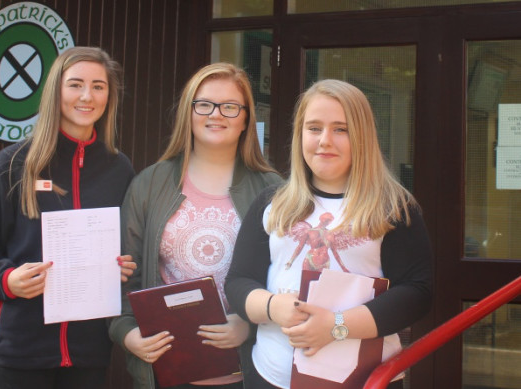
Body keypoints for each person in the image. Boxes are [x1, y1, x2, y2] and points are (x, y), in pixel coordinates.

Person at [225, 79, 433, 389]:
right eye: (314, 128)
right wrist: (272, 307)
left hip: (363, 379)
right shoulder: (272, 203)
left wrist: (336, 327)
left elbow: (417, 294)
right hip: (271, 377)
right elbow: (239, 281)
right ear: (300, 135)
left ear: (361, 136)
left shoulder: (393, 206)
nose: (325, 140)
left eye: (341, 129)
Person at [0, 46, 136, 389]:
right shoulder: (14, 164)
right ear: (56, 91)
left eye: (98, 86)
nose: (87, 96)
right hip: (22, 351)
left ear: (109, 96)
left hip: (89, 353)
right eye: (75, 84)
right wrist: (7, 279)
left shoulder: (119, 168)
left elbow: (126, 247)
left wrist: (124, 265)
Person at [109, 62, 283, 389]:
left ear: (246, 118)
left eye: (230, 107)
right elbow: (123, 274)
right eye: (204, 104)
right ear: (188, 113)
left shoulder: (272, 189)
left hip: (248, 371)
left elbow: (286, 277)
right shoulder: (149, 184)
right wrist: (128, 333)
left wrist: (251, 323)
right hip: (169, 371)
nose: (216, 114)